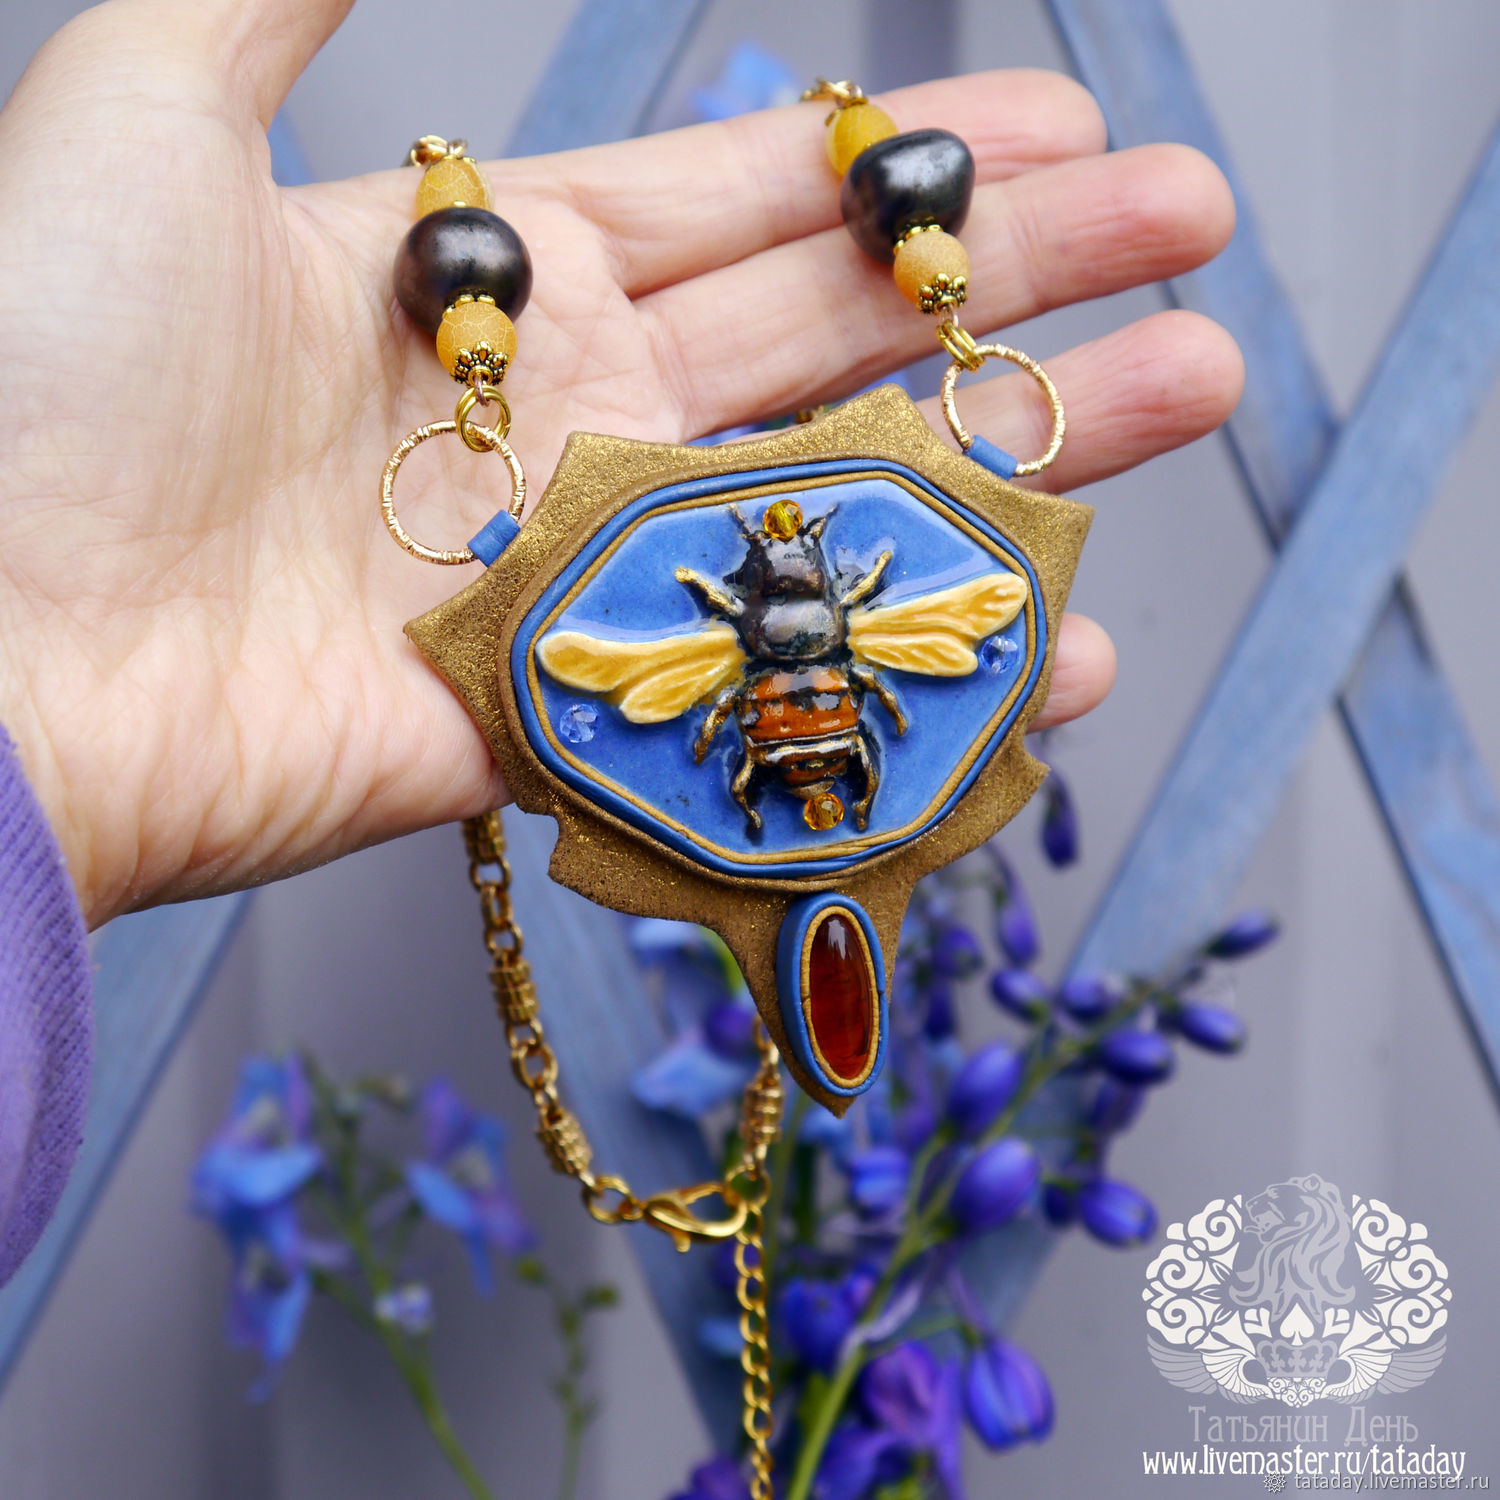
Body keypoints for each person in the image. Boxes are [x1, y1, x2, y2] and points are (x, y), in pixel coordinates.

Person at [0, 0, 1241, 1284]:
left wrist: (35, 674)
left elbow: (680, 640)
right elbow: (883, 610)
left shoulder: (720, 621)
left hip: (780, 734)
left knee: (758, 733)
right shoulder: (868, 596)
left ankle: (771, 798)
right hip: (824, 723)